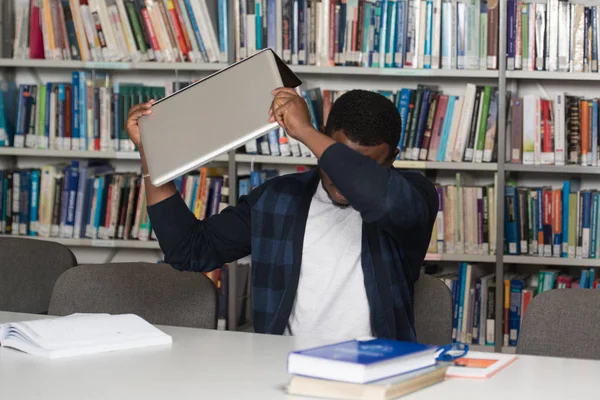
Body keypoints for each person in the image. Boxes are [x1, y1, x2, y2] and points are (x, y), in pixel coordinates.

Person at [126, 88, 438, 342]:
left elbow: (380, 198)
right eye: (338, 155)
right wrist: (151, 154)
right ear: (327, 139)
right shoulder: (277, 199)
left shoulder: (413, 198)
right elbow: (189, 250)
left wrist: (304, 130)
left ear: (393, 158)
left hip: (381, 373)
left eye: (367, 164)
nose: (342, 180)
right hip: (285, 372)